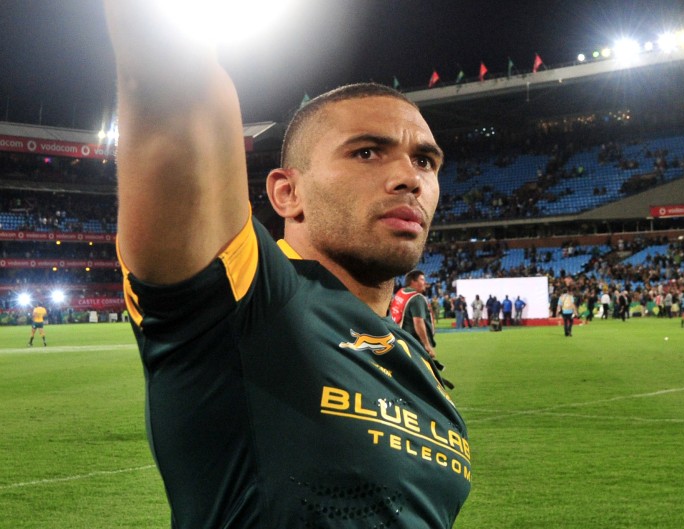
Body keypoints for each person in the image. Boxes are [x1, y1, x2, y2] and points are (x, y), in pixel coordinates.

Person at [105, 2, 470, 527]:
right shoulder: (249, 302)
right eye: (367, 152)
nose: (410, 178)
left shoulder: (413, 362)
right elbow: (171, 93)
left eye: (425, 161)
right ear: (286, 193)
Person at [391, 270, 454, 389]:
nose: (425, 282)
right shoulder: (417, 298)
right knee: (422, 379)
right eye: (422, 279)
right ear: (413, 281)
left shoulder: (401, 293)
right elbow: (418, 322)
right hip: (414, 343)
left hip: (400, 340)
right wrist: (427, 345)